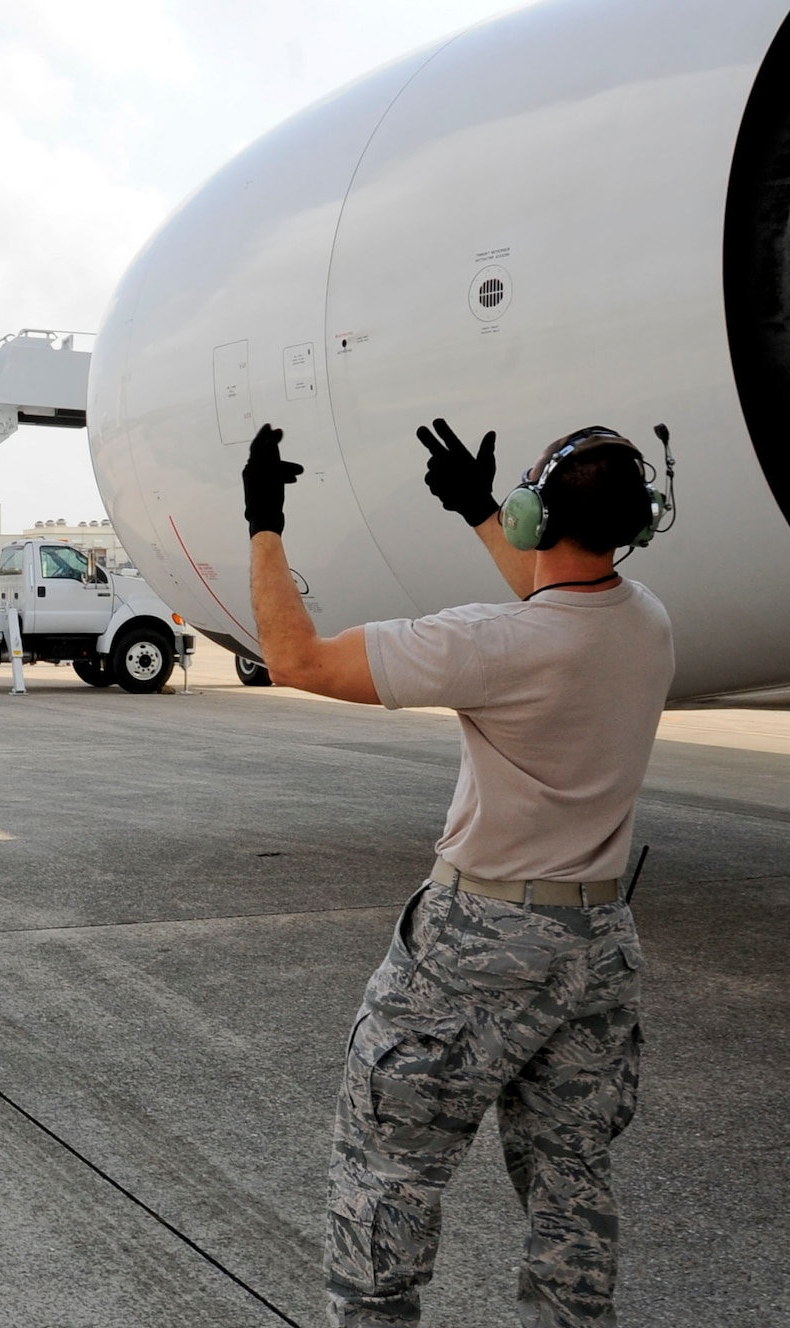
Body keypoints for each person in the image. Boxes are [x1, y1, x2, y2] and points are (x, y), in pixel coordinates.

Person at [238, 417, 673, 1327]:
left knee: (387, 1167)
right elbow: (561, 594)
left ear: (538, 516)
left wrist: (264, 521)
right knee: (571, 1176)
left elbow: (295, 658)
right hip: (599, 948)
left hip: (480, 946)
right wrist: (481, 510)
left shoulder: (492, 644)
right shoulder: (646, 624)